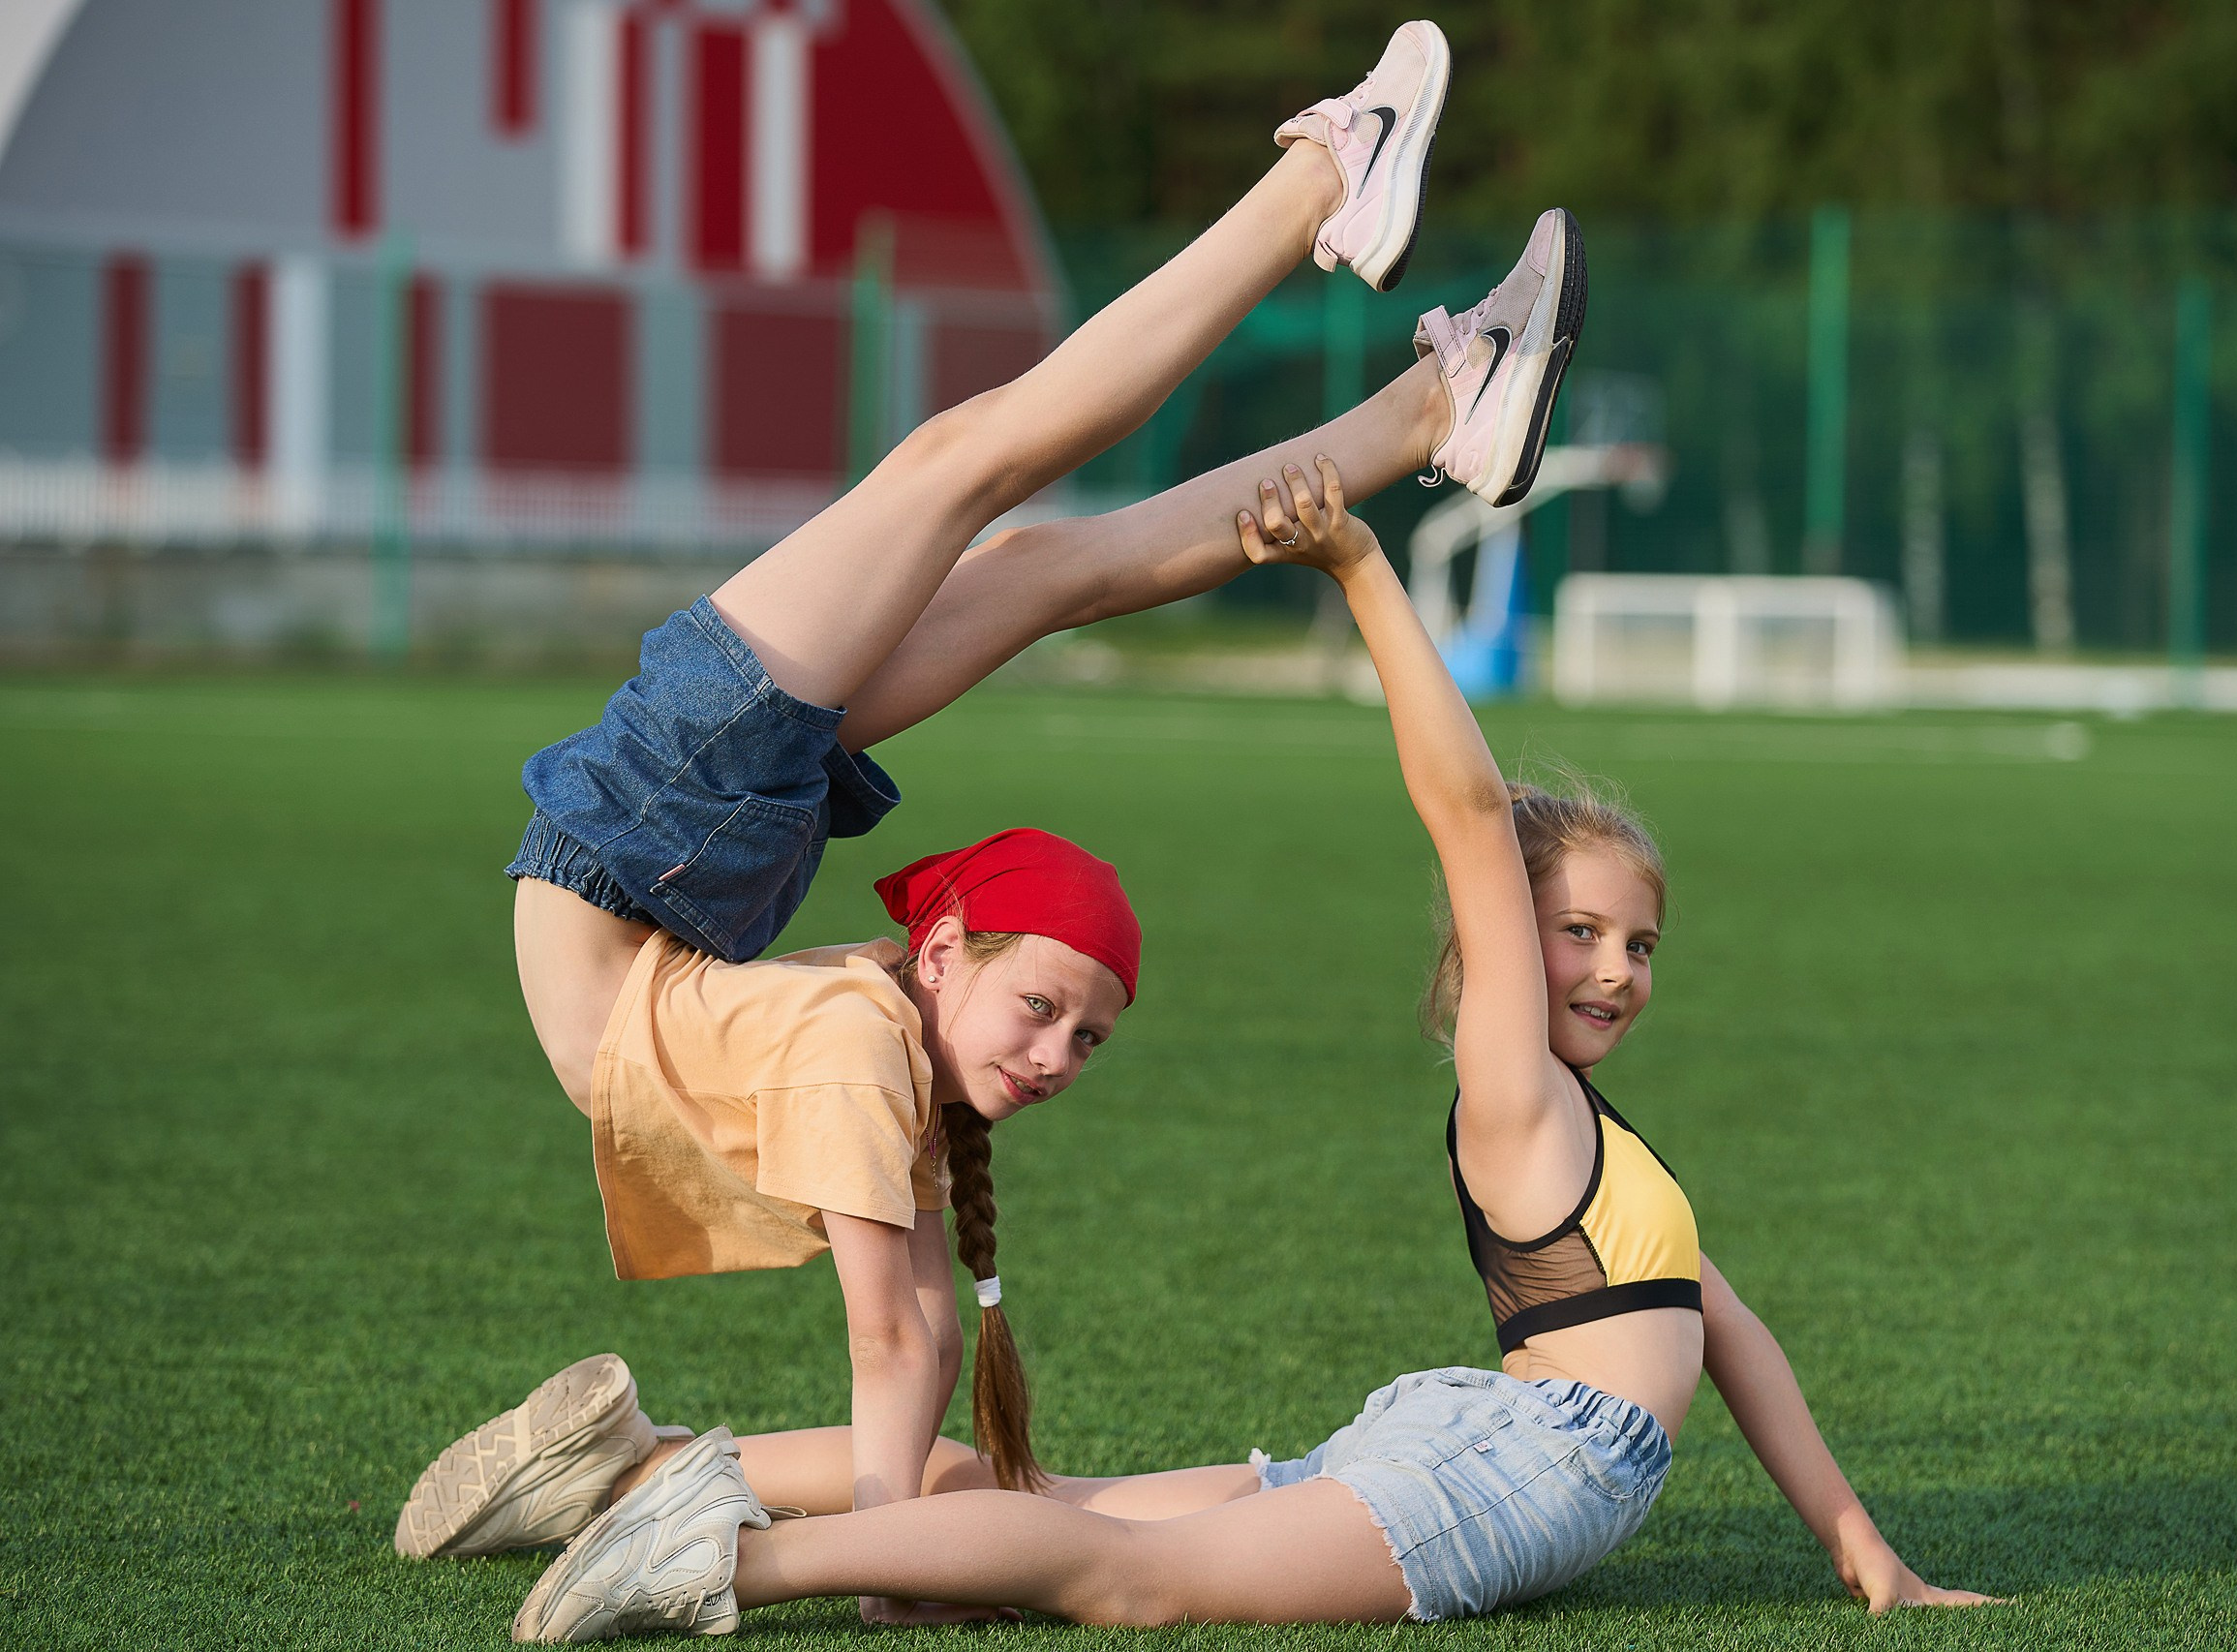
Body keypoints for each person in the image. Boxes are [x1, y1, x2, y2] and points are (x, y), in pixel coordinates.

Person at [399, 17, 1585, 1620]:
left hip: (652, 844)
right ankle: (1418, 402)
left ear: (936, 943)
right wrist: (905, 1551)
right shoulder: (870, 1058)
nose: (1052, 1060)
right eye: (1053, 1017)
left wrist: (897, 1550)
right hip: (673, 874)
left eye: (1072, 1034)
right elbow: (915, 1338)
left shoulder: (860, 1051)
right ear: (942, 948)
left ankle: (1332, 196)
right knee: (1031, 546)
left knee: (979, 470)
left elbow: (905, 1337)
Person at [477, 457, 2003, 1632]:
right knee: (1125, 1574)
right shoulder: (1514, 1081)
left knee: (1053, 1502)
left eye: (1639, 942)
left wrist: (1863, 1545)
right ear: (1494, 954)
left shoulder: (1608, 1149)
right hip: (1518, 1463)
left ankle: (640, 1458)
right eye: (1576, 931)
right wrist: (1360, 567)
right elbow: (1470, 813)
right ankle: (727, 1552)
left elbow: (1726, 1330)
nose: (1614, 967)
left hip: (1483, 1433)